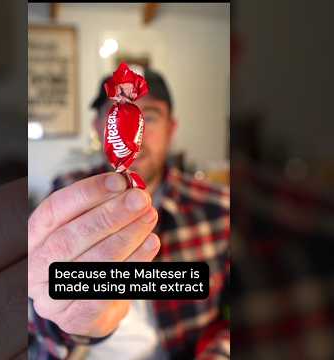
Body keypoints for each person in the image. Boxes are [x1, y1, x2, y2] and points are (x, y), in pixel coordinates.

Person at [28, 68, 230, 360]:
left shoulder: (218, 208)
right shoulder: (65, 199)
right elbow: (33, 322)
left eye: (150, 117)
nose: (136, 132)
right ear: (98, 127)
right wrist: (68, 321)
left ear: (171, 129)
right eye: (116, 114)